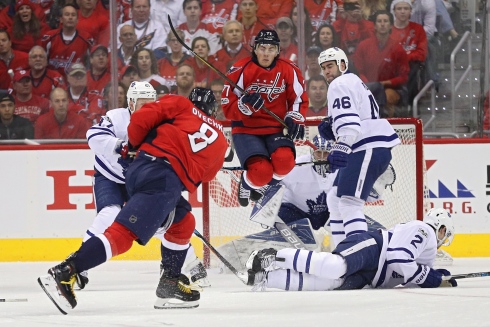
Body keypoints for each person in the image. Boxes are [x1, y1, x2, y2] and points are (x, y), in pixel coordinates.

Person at [38, 87, 228, 313]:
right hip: (164, 180)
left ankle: (170, 283)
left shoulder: (181, 105)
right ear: (213, 110)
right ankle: (66, 272)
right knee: (123, 232)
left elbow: (142, 117)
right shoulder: (221, 141)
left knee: (183, 220)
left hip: (140, 168)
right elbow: (205, 176)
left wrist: (133, 145)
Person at [246, 208, 457, 291]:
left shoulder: (426, 249)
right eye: (445, 236)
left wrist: (437, 277)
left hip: (373, 277)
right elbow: (399, 257)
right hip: (374, 249)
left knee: (330, 284)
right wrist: (431, 279)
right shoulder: (424, 230)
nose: (443, 241)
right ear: (442, 228)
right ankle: (270, 256)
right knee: (335, 267)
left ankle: (265, 278)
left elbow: (409, 276)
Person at [317, 47, 400, 248]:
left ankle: (360, 255)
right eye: (324, 68)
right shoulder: (354, 82)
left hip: (365, 146)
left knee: (349, 203)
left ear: (342, 65)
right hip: (366, 145)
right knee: (334, 198)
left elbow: (351, 124)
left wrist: (341, 147)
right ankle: (341, 251)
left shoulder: (339, 84)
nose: (327, 71)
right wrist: (333, 127)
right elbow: (358, 116)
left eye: (331, 66)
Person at [221, 29, 308, 207]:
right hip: (246, 129)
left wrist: (294, 117)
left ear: (277, 51)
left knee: (285, 163)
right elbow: (227, 107)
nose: (266, 53)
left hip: (276, 127)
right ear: (254, 49)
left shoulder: (289, 69)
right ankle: (247, 183)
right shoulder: (240, 69)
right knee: (260, 171)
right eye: (262, 48)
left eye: (271, 49)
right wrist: (245, 104)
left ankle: (262, 185)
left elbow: (298, 99)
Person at [352, 10, 409, 118]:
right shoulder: (363, 46)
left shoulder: (398, 48)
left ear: (390, 25)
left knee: (387, 97)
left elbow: (403, 77)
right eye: (379, 21)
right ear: (374, 26)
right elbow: (358, 71)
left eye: (385, 21)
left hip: (390, 89)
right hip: (366, 87)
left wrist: (383, 84)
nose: (382, 24)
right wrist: (369, 86)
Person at [42, 4, 93, 78]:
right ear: (61, 19)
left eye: (73, 15)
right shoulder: (49, 37)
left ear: (77, 20)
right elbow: (42, 62)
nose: (70, 17)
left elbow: (91, 65)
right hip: (54, 83)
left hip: (77, 82)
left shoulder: (86, 39)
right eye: (67, 14)